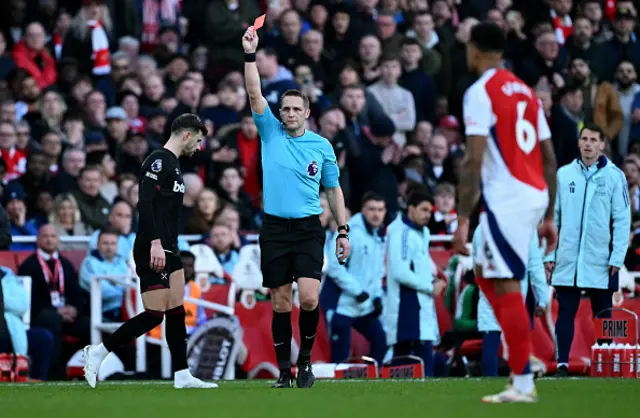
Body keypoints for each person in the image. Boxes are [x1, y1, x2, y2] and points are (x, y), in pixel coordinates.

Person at [452, 22, 558, 403]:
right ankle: (523, 351)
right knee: (482, 272)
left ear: (475, 51)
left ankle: (524, 380)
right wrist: (547, 214)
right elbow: (548, 157)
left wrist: (463, 219)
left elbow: (473, 159)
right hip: (532, 194)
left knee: (507, 283)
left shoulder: (480, 93)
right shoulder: (528, 94)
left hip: (506, 198)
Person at [242, 26, 350, 389]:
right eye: (284, 108)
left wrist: (343, 230)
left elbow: (334, 192)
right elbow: (255, 92)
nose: (288, 113)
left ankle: (305, 362)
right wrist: (249, 55)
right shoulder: (269, 131)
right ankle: (284, 373)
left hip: (307, 228)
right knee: (279, 303)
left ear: (306, 112)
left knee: (309, 297)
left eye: (294, 109)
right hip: (273, 228)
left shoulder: (322, 146)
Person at [82, 113, 217, 390]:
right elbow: (145, 202)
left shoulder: (176, 166)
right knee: (155, 314)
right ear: (187, 134)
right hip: (151, 245)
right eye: (198, 139)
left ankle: (182, 375)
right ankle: (98, 352)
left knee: (177, 310)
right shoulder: (159, 160)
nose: (199, 147)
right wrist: (154, 241)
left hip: (171, 246)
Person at [544, 124, 631, 377]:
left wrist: (617, 257)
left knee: (605, 315)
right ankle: (562, 365)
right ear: (579, 142)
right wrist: (549, 255)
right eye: (584, 139)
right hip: (568, 258)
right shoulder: (563, 175)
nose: (588, 144)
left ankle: (607, 364)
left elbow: (622, 220)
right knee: (565, 313)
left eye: (594, 139)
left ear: (602, 144)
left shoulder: (615, 177)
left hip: (602, 259)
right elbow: (553, 217)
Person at [473, 227, 549, 377]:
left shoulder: (482, 226)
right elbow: (534, 265)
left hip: (490, 289)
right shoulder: (526, 226)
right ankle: (521, 383)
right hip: (514, 292)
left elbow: (477, 262)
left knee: (491, 341)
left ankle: (489, 382)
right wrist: (542, 298)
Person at [385, 188, 445, 377]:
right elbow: (400, 271)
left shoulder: (422, 232)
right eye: (424, 210)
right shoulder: (400, 233)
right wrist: (429, 287)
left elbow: (420, 261)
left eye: (430, 211)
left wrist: (434, 275)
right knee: (407, 357)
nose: (428, 215)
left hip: (419, 301)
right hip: (407, 301)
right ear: (411, 209)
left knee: (422, 352)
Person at [323, 192, 388, 366]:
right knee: (340, 356)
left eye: (380, 209)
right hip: (341, 306)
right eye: (372, 209)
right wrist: (357, 291)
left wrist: (377, 297)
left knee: (381, 341)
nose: (376, 214)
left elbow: (377, 272)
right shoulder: (348, 231)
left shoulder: (378, 236)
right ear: (363, 210)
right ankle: (334, 391)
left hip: (363, 306)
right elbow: (335, 267)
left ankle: (370, 383)